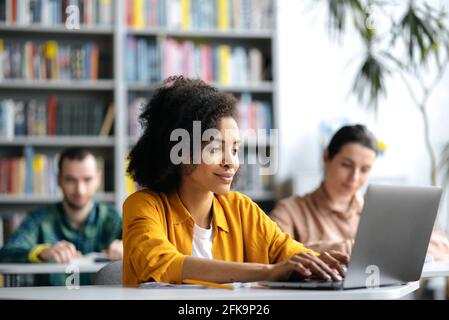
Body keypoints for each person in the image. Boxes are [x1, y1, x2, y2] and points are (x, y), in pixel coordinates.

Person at [123, 76, 348, 286]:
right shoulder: (143, 206)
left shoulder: (241, 209)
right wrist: (267, 271)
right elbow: (163, 264)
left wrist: (326, 264)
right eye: (216, 148)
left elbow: (285, 250)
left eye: (234, 149)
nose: (231, 162)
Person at [270, 124, 449, 260]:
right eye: (346, 165)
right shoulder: (291, 211)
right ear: (326, 158)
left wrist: (394, 246)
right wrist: (356, 249)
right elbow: (270, 253)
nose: (354, 177)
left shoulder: (382, 210)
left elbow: (443, 246)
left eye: (364, 170)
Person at [0, 148, 123, 285]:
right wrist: (42, 252)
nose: (80, 190)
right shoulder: (39, 219)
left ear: (98, 179)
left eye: (87, 179)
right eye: (71, 180)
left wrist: (129, 250)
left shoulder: (113, 219)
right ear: (59, 180)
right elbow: (6, 253)